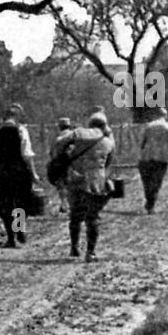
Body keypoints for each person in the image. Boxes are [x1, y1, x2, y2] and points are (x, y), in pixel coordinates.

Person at [52, 112, 115, 262]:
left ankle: (74, 247)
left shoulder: (78, 135)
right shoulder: (108, 142)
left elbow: (59, 143)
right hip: (94, 182)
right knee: (92, 217)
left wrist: (64, 158)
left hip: (75, 178)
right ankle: (90, 252)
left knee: (75, 215)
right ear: (104, 126)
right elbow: (108, 163)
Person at [0, 103, 38, 247]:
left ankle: (10, 238)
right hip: (19, 171)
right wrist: (34, 173)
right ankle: (19, 230)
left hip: (3, 171)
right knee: (20, 202)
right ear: (16, 117)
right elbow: (27, 155)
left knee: (5, 204)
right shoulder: (21, 131)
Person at [136, 107, 168, 214]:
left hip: (146, 158)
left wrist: (140, 155)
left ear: (155, 115)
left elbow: (141, 143)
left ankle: (149, 200)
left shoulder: (148, 126)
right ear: (165, 116)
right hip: (161, 158)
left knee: (147, 181)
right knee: (156, 181)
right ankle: (150, 204)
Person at [52, 117, 74, 213]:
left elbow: (52, 153)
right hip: (74, 164)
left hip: (61, 164)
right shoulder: (75, 136)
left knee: (61, 184)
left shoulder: (58, 138)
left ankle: (64, 204)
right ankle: (72, 204)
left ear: (60, 127)